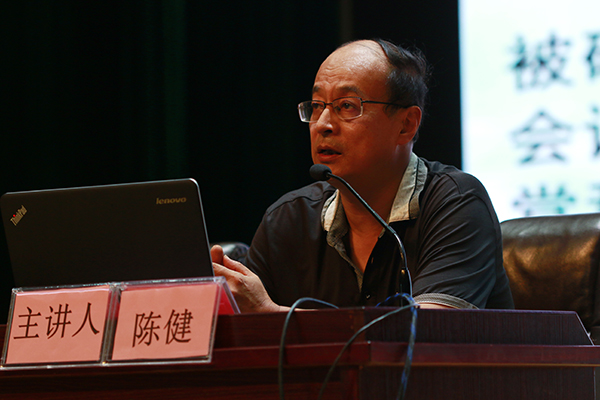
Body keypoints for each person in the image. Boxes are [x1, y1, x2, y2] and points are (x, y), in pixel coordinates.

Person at [211, 39, 514, 312]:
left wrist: (270, 315)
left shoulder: (458, 203)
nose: (323, 124)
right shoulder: (288, 220)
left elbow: (425, 335)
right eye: (317, 106)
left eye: (346, 106)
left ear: (406, 125)